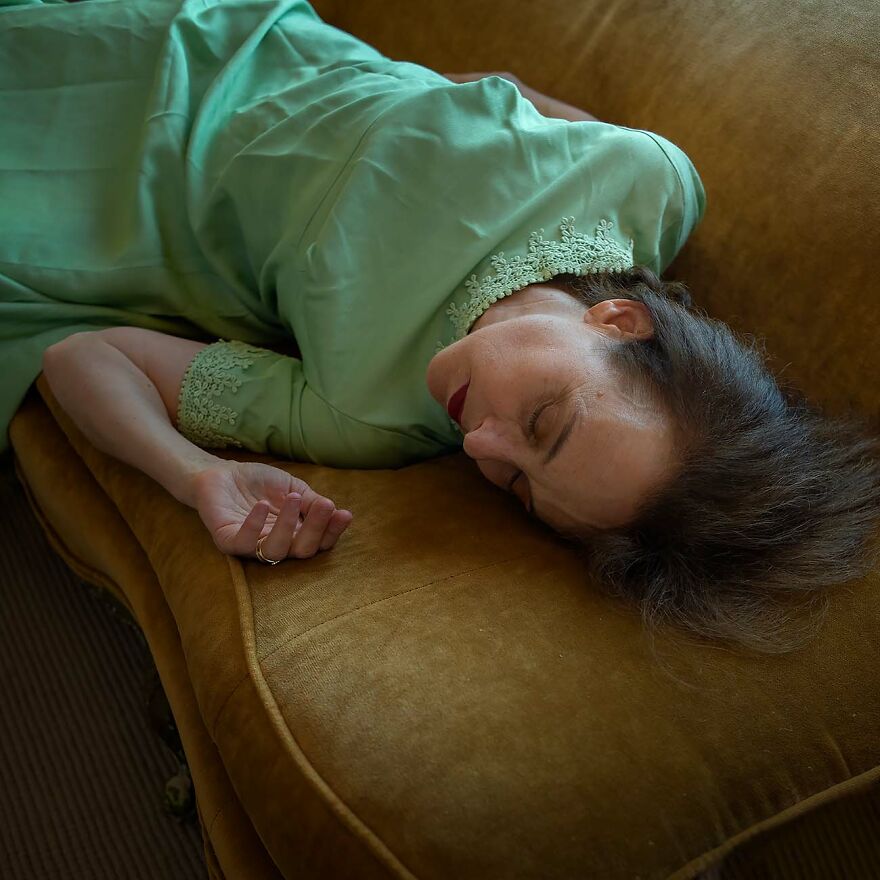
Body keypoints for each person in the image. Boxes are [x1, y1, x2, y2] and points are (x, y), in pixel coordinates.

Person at [4, 0, 879, 654]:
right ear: (619, 319)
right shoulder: (648, 179)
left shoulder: (372, 416)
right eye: (543, 422)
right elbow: (478, 94)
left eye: (516, 488)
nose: (479, 449)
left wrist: (192, 477)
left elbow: (85, 353)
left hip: (94, 196)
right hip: (226, 36)